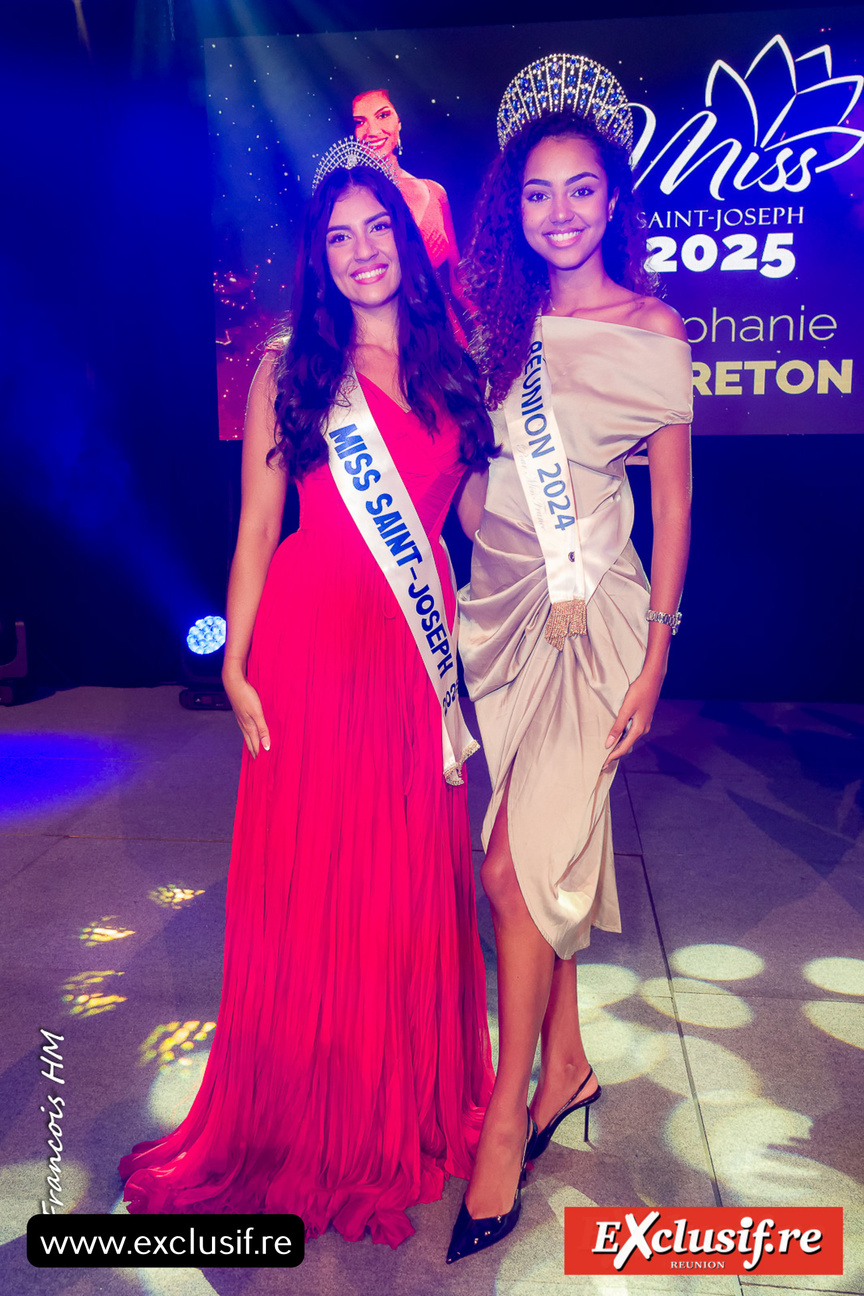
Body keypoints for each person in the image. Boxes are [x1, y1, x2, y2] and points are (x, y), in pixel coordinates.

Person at [118, 138, 497, 1249]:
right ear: (317, 258)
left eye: (377, 229)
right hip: (311, 638)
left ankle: (398, 1100)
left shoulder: (452, 362)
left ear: (409, 241)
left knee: (401, 873)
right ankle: (308, 1111)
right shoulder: (291, 364)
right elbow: (255, 523)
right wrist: (235, 657)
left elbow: (472, 525)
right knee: (312, 881)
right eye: (337, 237)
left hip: (410, 651)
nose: (360, 251)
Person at [447, 56, 694, 1262]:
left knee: (509, 868)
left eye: (581, 190)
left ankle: (509, 1119)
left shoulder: (655, 329)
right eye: (539, 194)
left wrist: (658, 654)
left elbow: (678, 507)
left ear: (613, 198)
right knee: (531, 866)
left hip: (595, 619)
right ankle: (571, 1068)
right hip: (500, 610)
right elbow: (477, 468)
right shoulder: (491, 319)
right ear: (517, 204)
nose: (560, 212)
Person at [352, 89, 471, 338]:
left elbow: (458, 279)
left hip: (444, 338)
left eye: (383, 115)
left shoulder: (434, 193)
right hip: (381, 342)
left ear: (399, 122)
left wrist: (494, 334)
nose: (372, 130)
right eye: (360, 122)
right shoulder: (349, 205)